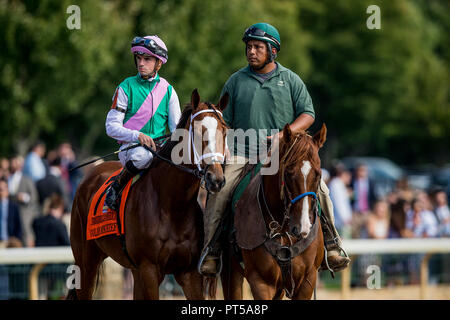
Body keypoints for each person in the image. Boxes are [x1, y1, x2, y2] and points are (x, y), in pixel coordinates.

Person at [198, 23, 350, 275]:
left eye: (258, 47)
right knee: (220, 192)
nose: (251, 52)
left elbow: (308, 115)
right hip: (243, 154)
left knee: (320, 189)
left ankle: (333, 244)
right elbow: (224, 122)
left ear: (273, 51)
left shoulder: (290, 79)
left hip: (284, 155)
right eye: (249, 47)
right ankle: (211, 250)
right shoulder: (235, 81)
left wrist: (282, 134)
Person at [104, 35, 181, 211]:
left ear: (159, 63)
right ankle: (116, 187)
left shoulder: (168, 90)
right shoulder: (125, 87)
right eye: (139, 58)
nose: (141, 63)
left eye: (147, 59)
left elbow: (177, 128)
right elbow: (111, 127)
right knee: (143, 156)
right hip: (132, 149)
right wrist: (137, 135)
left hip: (160, 150)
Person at [8, 155, 39, 247]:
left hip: (24, 212)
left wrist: (25, 198)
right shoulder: (7, 178)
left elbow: (34, 197)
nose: (13, 165)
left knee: (26, 234)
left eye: (16, 163)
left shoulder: (27, 179)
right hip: (10, 212)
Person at [328, 163, 353, 239]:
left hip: (342, 221)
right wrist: (345, 218)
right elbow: (338, 203)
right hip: (341, 223)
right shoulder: (336, 184)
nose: (350, 178)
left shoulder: (338, 184)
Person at [0, 178, 23, 248]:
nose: (1, 192)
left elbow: (18, 225)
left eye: (2, 190)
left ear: (7, 191)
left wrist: (15, 239)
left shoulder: (14, 207)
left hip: (11, 242)